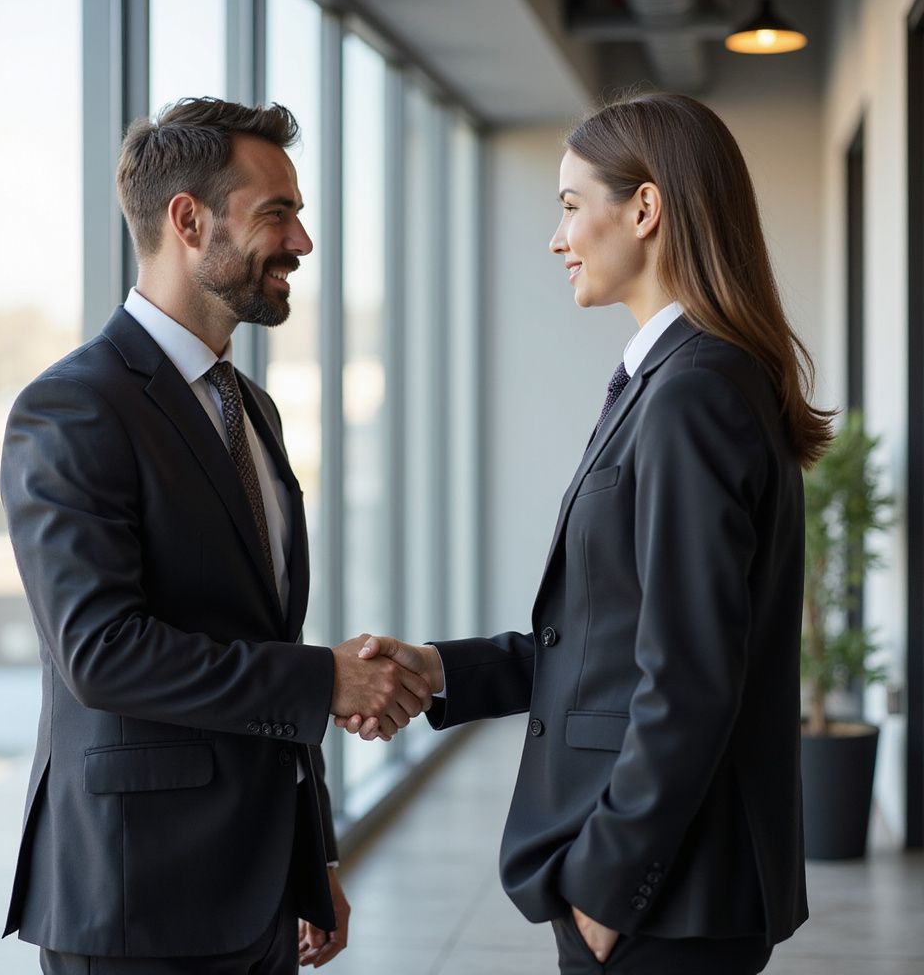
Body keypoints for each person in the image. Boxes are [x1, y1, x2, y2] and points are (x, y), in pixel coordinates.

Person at [339, 92, 830, 975]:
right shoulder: (679, 380)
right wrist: (442, 671)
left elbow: (690, 675)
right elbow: (612, 642)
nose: (557, 237)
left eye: (571, 205)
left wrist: (608, 887)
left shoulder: (693, 393)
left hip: (664, 894)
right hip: (670, 888)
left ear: (644, 209)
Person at [0, 96, 432, 975]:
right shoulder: (72, 407)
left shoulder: (249, 407)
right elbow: (103, 653)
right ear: (187, 220)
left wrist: (311, 858)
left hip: (260, 889)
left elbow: (254, 638)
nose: (302, 243)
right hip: (136, 903)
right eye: (277, 214)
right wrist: (327, 676)